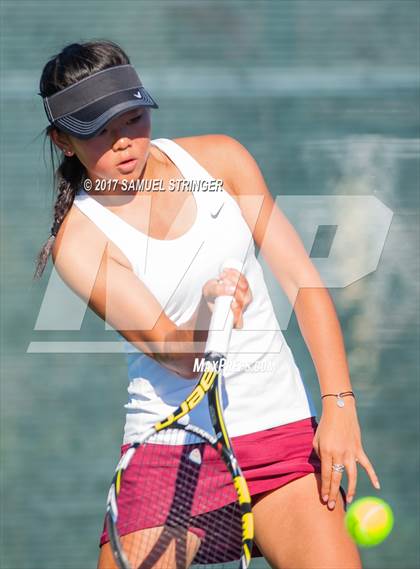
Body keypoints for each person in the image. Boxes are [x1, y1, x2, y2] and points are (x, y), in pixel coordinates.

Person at [34, 40, 380, 569]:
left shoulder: (220, 159)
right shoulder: (79, 242)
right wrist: (207, 310)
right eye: (99, 131)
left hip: (280, 434)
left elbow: (301, 278)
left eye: (132, 118)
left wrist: (339, 404)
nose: (124, 142)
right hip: (171, 452)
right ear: (63, 140)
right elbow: (170, 348)